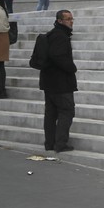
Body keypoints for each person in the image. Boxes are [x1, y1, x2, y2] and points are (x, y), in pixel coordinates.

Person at [40, 10, 78, 153]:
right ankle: (60, 143)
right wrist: (72, 68)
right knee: (66, 111)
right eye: (68, 19)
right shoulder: (60, 36)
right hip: (60, 83)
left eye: (71, 18)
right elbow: (58, 56)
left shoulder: (53, 34)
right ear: (60, 21)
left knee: (51, 113)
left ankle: (49, 143)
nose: (71, 21)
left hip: (49, 81)